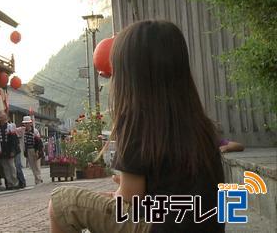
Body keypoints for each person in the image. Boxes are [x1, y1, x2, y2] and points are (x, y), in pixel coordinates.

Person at [49, 20, 225, 233]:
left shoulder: (137, 120)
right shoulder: (198, 124)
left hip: (160, 228)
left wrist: (120, 191)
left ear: (129, 77)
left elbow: (129, 199)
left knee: (61, 203)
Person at [16, 116, 43, 185]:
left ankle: (38, 180)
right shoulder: (22, 131)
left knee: (37, 166)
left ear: (30, 123)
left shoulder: (35, 131)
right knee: (32, 166)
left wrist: (37, 151)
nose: (26, 125)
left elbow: (39, 142)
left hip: (35, 149)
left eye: (28, 123)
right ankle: (37, 179)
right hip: (28, 150)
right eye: (25, 123)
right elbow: (14, 130)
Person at [0, 112, 19, 190]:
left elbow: (14, 140)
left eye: (3, 116)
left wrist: (13, 150)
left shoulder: (10, 126)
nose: (1, 118)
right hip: (1, 150)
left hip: (9, 149)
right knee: (5, 168)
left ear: (6, 117)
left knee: (12, 166)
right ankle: (9, 183)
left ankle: (15, 182)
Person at [9, 119, 26, 188]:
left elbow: (16, 143)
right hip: (11, 151)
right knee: (13, 168)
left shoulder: (15, 130)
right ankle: (18, 182)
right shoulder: (10, 131)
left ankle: (22, 181)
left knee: (17, 166)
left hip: (16, 151)